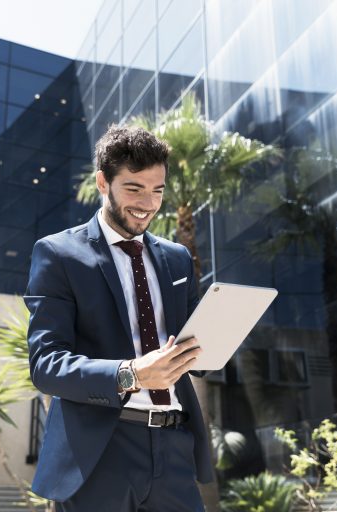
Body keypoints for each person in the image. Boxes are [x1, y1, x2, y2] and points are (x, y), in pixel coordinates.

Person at [24, 125, 212, 511]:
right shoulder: (58, 254)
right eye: (134, 188)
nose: (148, 203)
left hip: (175, 444)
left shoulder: (176, 258)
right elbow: (46, 366)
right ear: (102, 182)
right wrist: (133, 374)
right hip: (101, 452)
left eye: (157, 190)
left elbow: (196, 352)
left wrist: (218, 338)